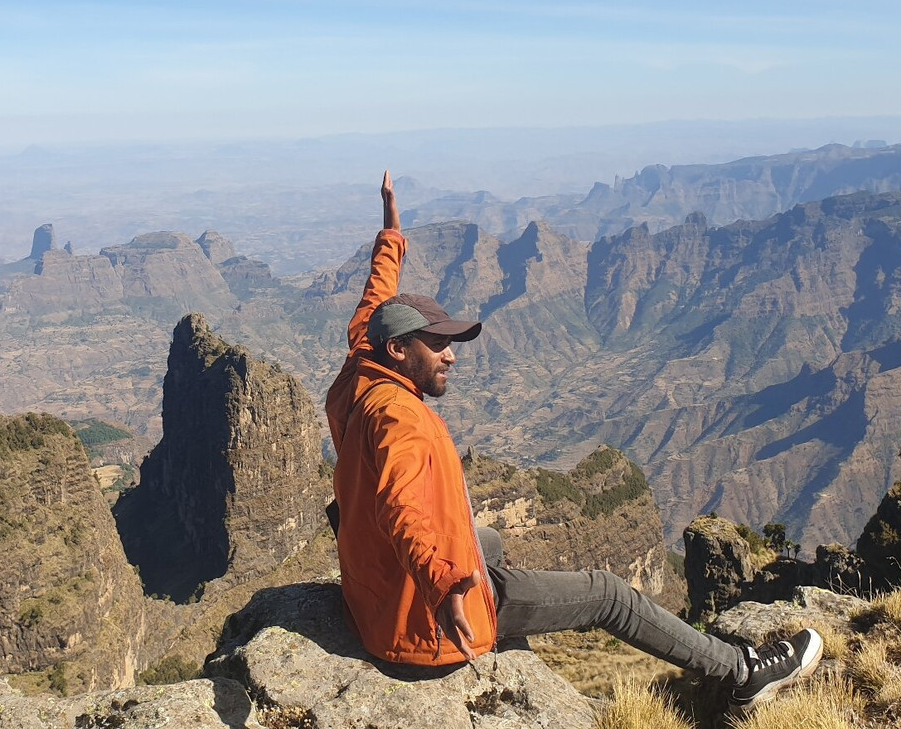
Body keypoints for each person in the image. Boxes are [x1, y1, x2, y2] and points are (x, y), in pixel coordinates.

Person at [325, 171, 823, 714]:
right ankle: (742, 673)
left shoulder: (361, 366)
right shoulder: (400, 416)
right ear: (399, 349)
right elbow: (404, 508)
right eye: (438, 343)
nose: (452, 355)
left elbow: (377, 295)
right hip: (420, 625)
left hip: (373, 593)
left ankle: (485, 583)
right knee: (608, 594)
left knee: (486, 541)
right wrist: (444, 586)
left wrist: (391, 231)